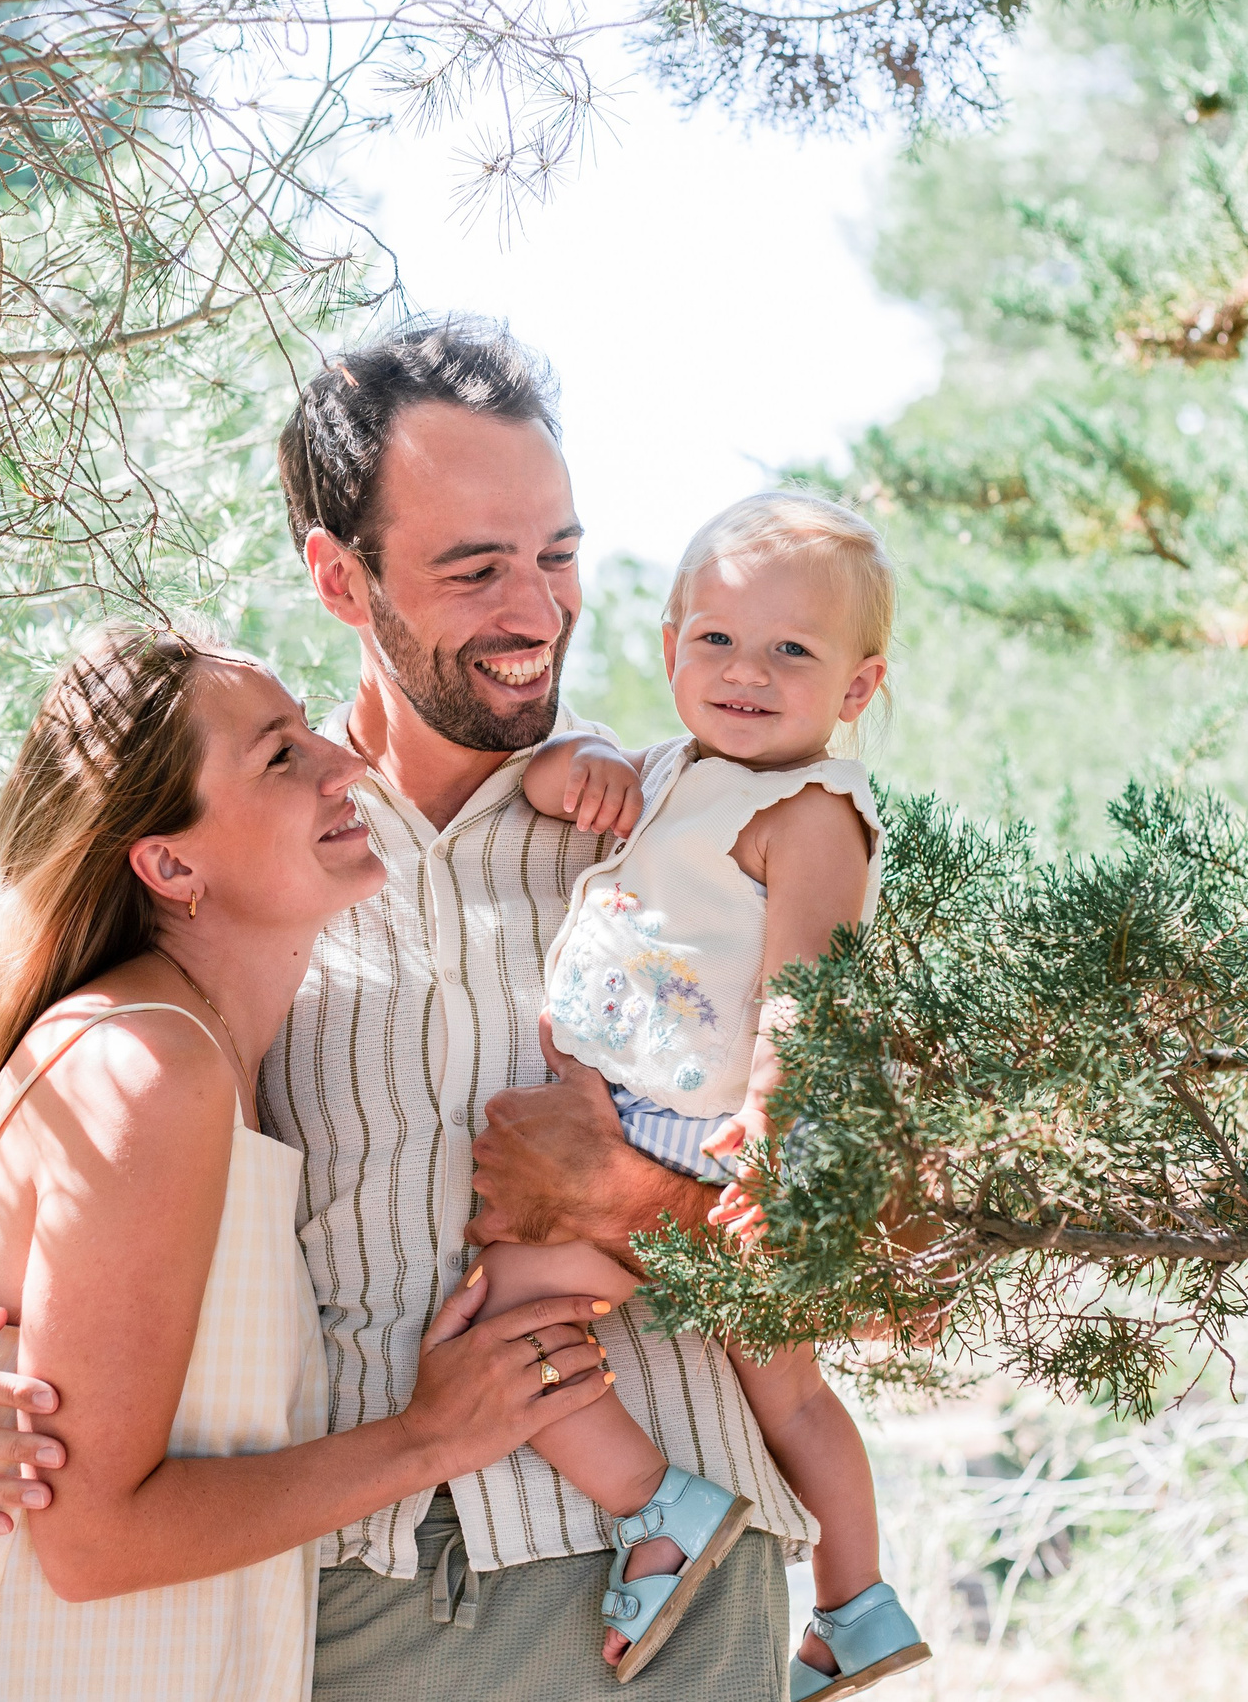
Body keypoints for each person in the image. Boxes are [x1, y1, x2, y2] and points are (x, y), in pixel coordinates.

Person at [0, 319, 816, 1701]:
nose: (536, 609)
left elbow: (899, 1261)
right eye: (475, 566)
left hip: (666, 1597)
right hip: (324, 1610)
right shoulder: (258, 861)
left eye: (559, 553)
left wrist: (631, 1193)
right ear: (340, 575)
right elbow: (40, 1129)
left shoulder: (699, 836)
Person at [0, 624, 617, 1701]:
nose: (342, 763)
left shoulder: (196, 1046)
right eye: (279, 756)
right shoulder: (146, 1066)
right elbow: (94, 1545)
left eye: (310, 731)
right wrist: (424, 1441)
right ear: (169, 864)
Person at [488, 491, 933, 1699]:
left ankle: (674, 1516)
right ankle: (855, 1609)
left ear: (855, 686)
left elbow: (807, 991)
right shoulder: (674, 769)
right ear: (673, 641)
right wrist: (575, 765)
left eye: (793, 650)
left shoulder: (811, 814)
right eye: (716, 640)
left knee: (512, 1326)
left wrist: (776, 1143)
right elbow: (543, 789)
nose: (747, 672)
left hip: (697, 1135)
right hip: (637, 1114)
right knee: (773, 1378)